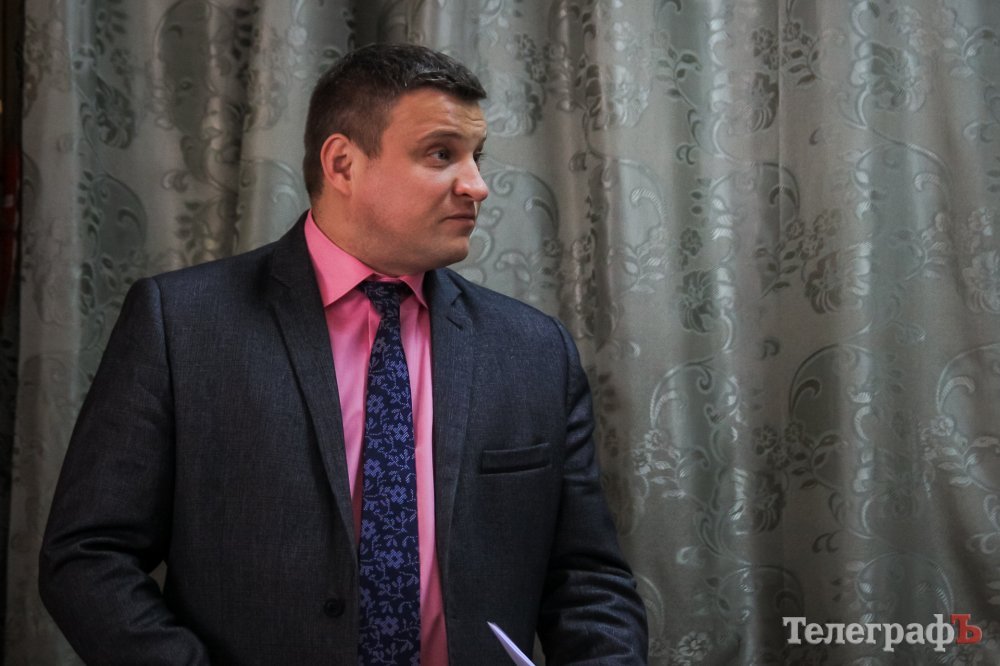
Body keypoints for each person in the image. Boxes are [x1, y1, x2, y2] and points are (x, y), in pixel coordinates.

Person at [38, 43, 648, 665]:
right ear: (343, 164)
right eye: (441, 154)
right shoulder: (182, 325)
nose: (477, 186)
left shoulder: (534, 350)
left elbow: (588, 583)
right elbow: (87, 557)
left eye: (476, 156)